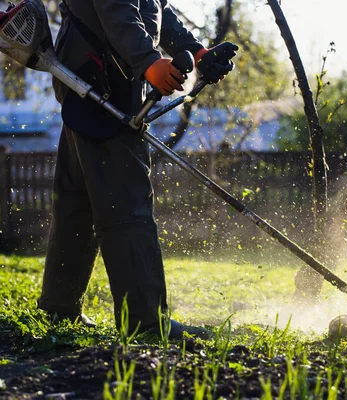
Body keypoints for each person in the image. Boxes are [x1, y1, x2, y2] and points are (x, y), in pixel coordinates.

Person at [37, 0, 238, 338]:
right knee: (126, 206)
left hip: (88, 90)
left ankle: (59, 306)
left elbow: (156, 10)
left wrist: (197, 52)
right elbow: (118, 12)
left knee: (78, 205)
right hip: (102, 89)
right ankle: (145, 321)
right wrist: (148, 61)